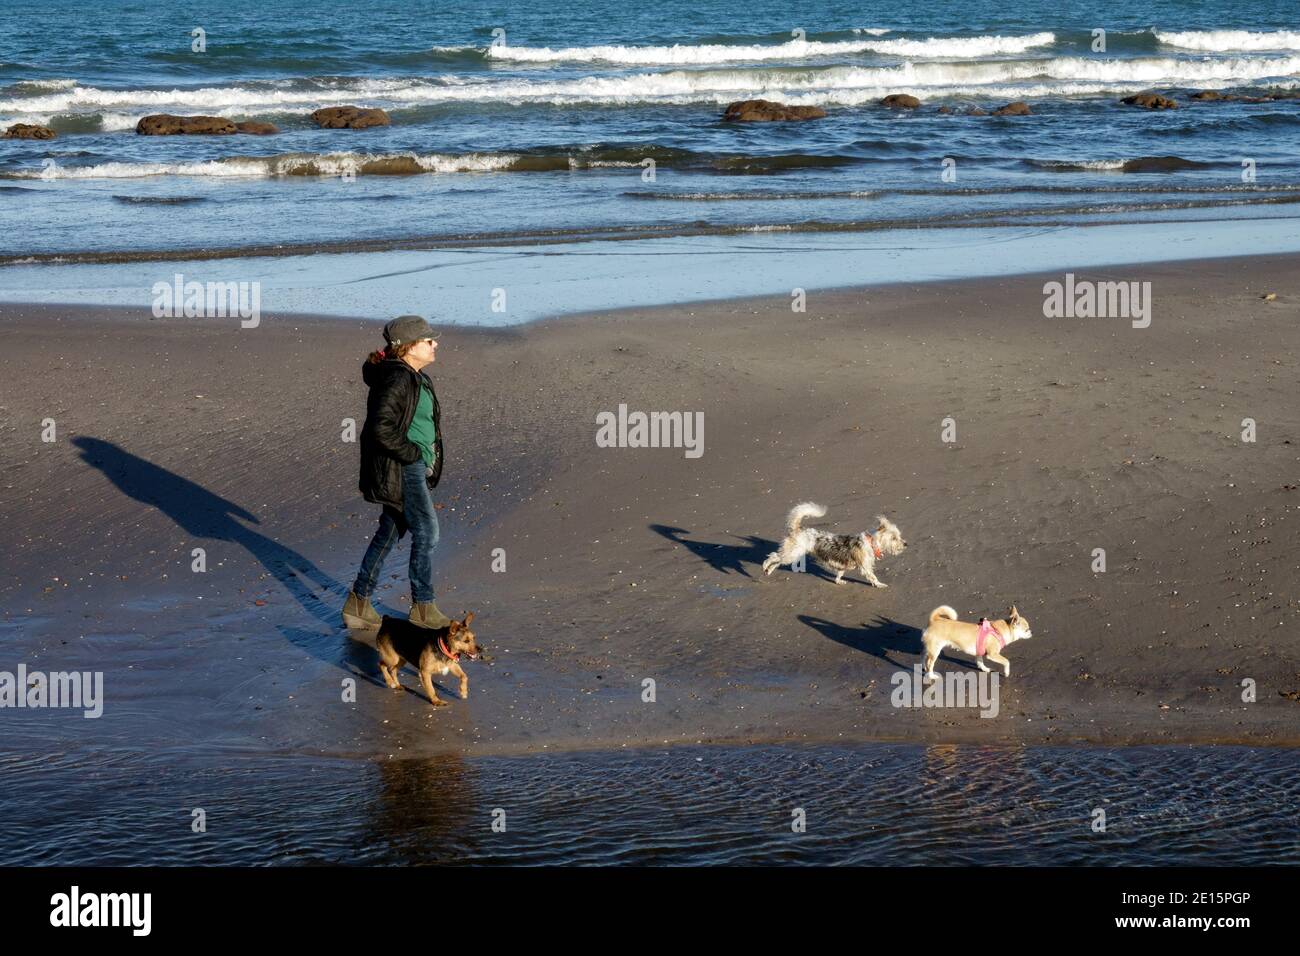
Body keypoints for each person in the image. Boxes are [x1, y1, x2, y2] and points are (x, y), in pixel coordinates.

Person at [341, 315, 451, 630]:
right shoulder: (398, 378)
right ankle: (423, 608)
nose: (435, 344)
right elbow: (380, 428)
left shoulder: (414, 376)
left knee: (389, 533)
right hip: (404, 467)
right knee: (428, 532)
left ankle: (358, 602)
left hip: (411, 465)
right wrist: (413, 455)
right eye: (429, 340)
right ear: (408, 347)